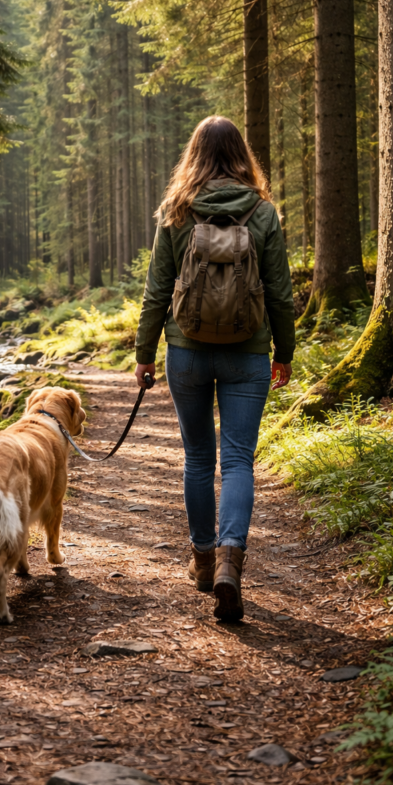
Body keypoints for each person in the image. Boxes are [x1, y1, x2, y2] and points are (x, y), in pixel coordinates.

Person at [134, 115, 295, 621]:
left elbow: (158, 291)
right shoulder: (263, 213)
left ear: (194, 155)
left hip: (186, 350)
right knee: (240, 460)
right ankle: (231, 561)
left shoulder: (177, 211)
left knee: (200, 459)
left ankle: (202, 562)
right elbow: (281, 293)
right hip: (248, 351)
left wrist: (143, 354)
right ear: (242, 154)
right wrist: (284, 353)